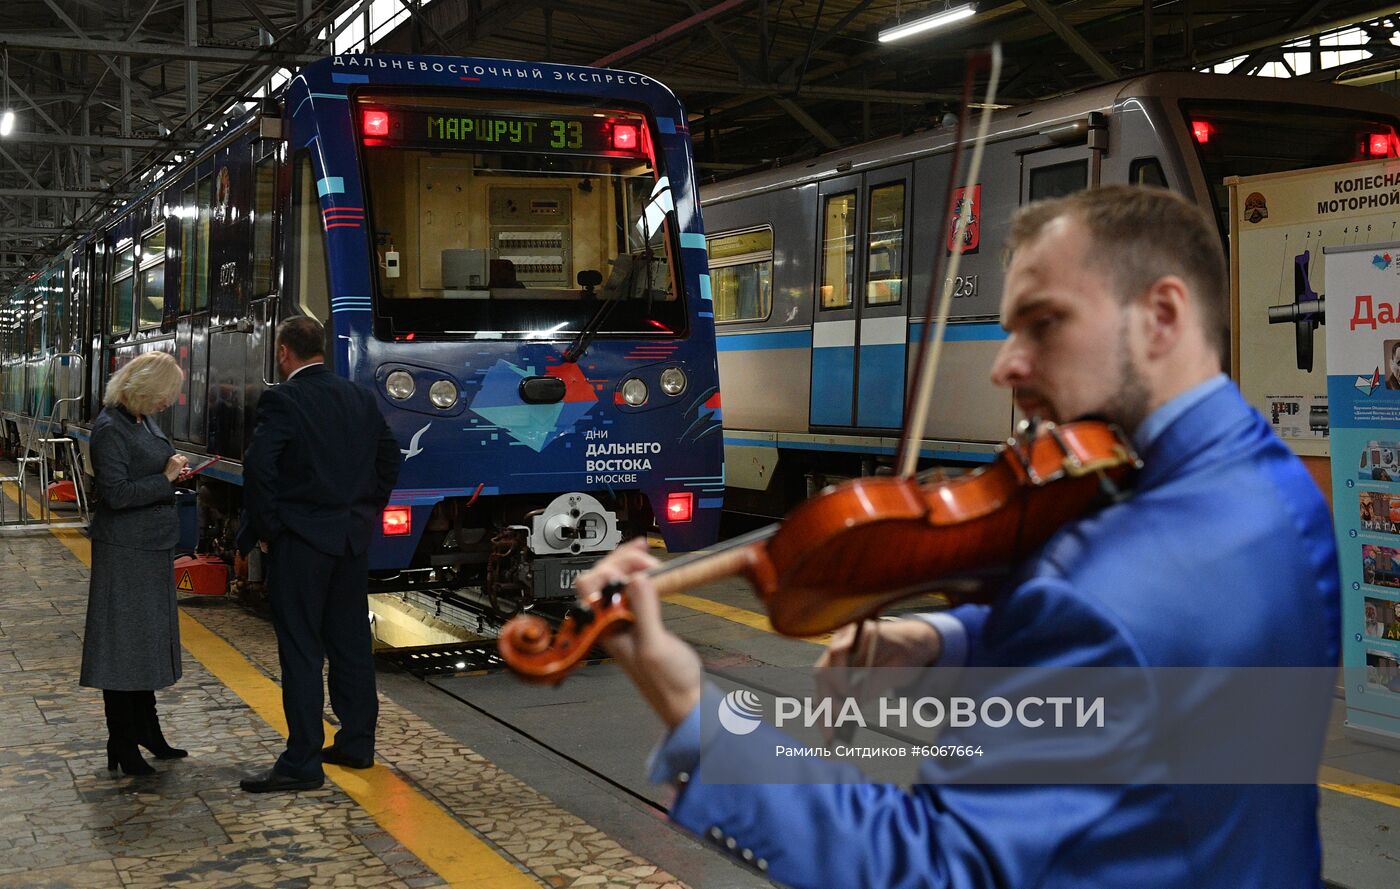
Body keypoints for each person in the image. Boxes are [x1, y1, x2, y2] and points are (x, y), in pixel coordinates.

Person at [577, 185, 1340, 887]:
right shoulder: (1280, 488)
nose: (1006, 365)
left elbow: (926, 865)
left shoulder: (1100, 594)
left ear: (1162, 316)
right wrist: (951, 636)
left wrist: (689, 704)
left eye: (1044, 323)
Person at [237, 316, 402, 793]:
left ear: (284, 352)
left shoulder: (283, 399)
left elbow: (259, 470)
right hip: (350, 542)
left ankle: (302, 761)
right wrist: (365, 509)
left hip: (303, 545)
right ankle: (356, 743)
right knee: (351, 646)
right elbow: (389, 459)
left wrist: (270, 530)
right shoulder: (358, 396)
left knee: (302, 650)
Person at [80, 351, 191, 776]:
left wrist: (173, 471)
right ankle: (122, 743)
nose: (168, 403)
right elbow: (118, 494)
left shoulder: (141, 419)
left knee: (145, 643)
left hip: (150, 547)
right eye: (164, 395)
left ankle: (148, 730)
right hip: (124, 551)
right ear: (143, 389)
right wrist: (164, 478)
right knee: (122, 647)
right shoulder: (109, 428)